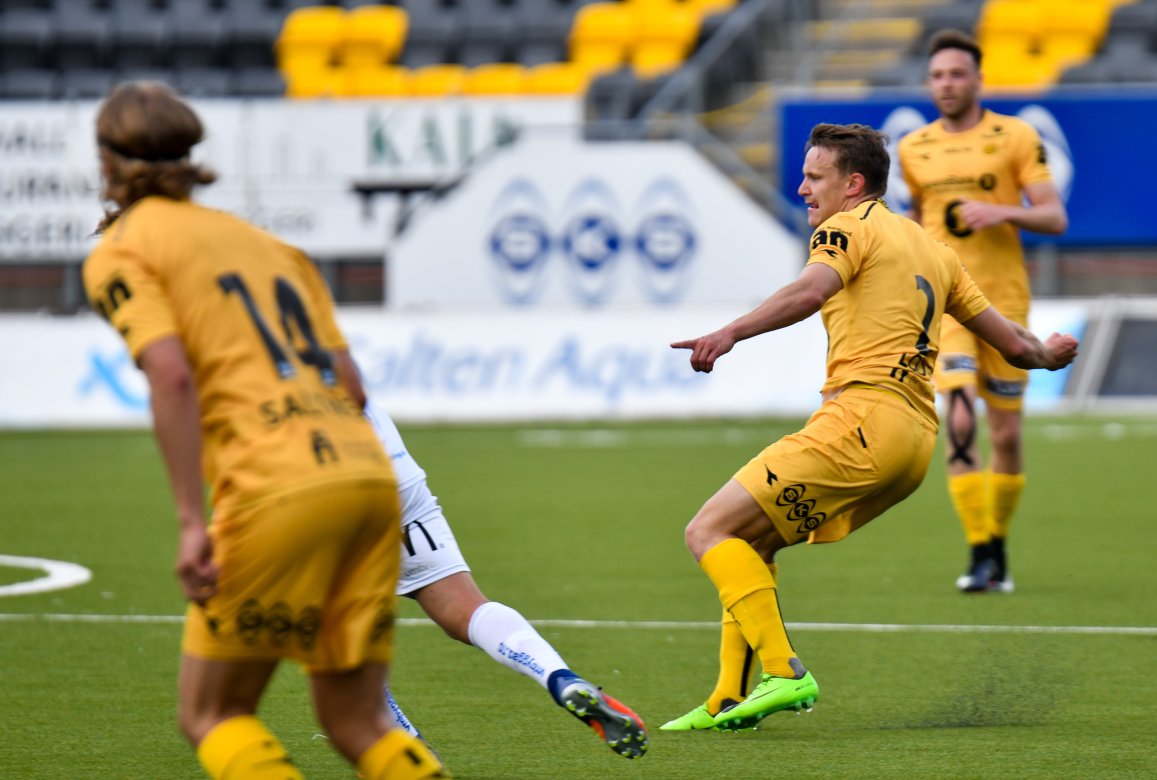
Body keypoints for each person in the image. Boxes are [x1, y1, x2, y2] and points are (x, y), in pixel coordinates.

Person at [82, 82, 447, 780]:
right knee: (358, 721)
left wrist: (193, 519)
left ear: (106, 161)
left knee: (213, 715)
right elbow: (354, 387)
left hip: (277, 492)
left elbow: (172, 376)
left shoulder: (121, 248)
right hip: (368, 481)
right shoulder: (270, 245)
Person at [662, 123, 1077, 732]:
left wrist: (730, 332)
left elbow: (810, 289)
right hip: (912, 441)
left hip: (861, 418)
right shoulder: (934, 250)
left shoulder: (846, 227)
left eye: (814, 177)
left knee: (708, 530)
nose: (802, 187)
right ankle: (728, 698)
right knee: (749, 541)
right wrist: (1049, 354)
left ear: (853, 184)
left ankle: (784, 673)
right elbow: (1014, 345)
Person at [363, 402, 648, 759]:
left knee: (339, 633)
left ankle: (405, 750)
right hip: (397, 477)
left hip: (320, 484)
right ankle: (559, 677)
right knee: (464, 609)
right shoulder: (324, 344)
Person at [897, 30, 1069, 593]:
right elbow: (921, 222)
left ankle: (997, 542)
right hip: (946, 305)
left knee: (1007, 434)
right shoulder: (914, 147)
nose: (947, 84)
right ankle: (977, 551)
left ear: (977, 78)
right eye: (938, 75)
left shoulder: (1014, 135)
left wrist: (1001, 212)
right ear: (930, 83)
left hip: (1005, 301)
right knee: (961, 413)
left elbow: (1054, 217)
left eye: (957, 74)